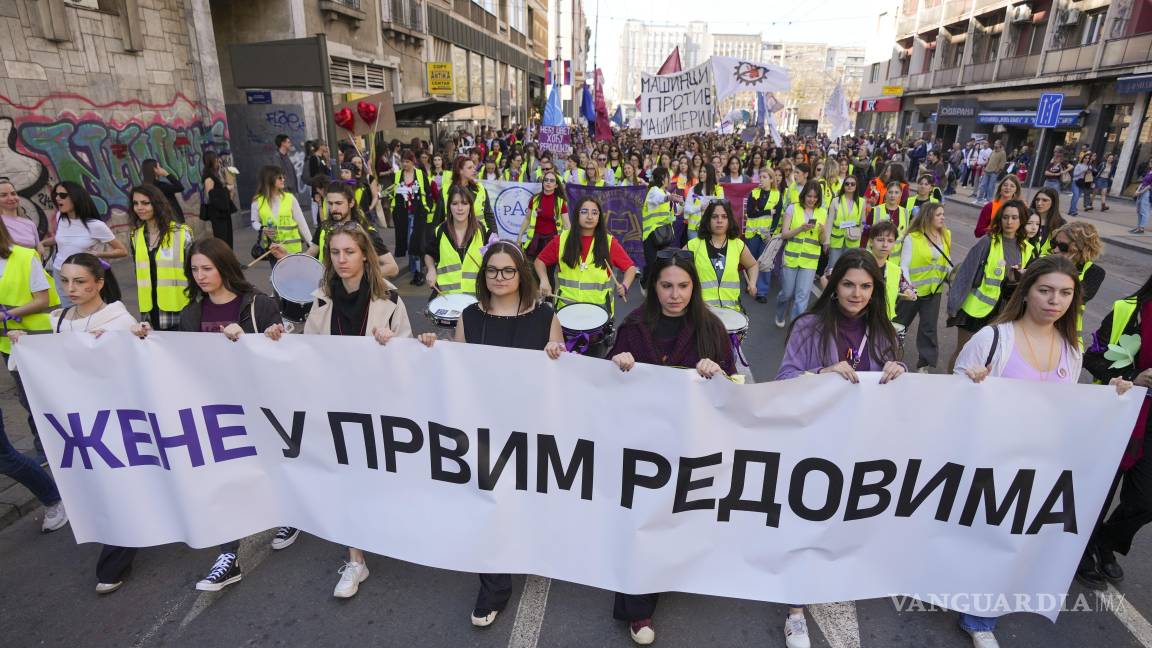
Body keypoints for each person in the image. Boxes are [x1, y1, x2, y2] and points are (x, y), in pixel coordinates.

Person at [953, 255, 1126, 647]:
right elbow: (953, 397)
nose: (1055, 300)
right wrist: (970, 381)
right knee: (986, 537)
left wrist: (1115, 397)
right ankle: (977, 617)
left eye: (1065, 293)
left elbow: (1068, 408)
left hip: (1040, 462)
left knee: (1015, 537)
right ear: (1026, 291)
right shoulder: (993, 338)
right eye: (1045, 290)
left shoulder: (1072, 348)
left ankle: (980, 612)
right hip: (990, 459)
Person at [111, 238, 286, 595]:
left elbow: (280, 352)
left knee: (270, 467)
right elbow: (179, 359)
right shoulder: (192, 313)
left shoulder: (260, 304)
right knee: (220, 476)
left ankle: (288, 515)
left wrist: (252, 338)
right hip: (214, 408)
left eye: (207, 268)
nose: (201, 275)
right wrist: (145, 341)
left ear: (225, 266)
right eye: (194, 269)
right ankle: (228, 554)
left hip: (259, 403)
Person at [417, 240, 564, 626]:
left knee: (526, 500)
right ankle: (494, 586)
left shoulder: (546, 315)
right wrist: (435, 348)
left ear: (522, 275)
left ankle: (530, 551)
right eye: (492, 270)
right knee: (488, 504)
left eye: (508, 270)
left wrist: (557, 353)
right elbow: (458, 367)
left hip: (530, 427)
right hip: (485, 428)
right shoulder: (470, 315)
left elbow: (563, 374)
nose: (499, 277)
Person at [265, 222, 412, 599]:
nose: (341, 259)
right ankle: (356, 559)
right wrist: (283, 340)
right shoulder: (320, 298)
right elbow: (310, 352)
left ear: (365, 253)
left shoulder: (391, 300)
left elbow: (410, 360)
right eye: (334, 252)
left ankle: (387, 529)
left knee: (376, 478)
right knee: (345, 478)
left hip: (379, 406)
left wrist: (393, 344)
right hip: (336, 405)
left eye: (349, 251)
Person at [775, 248, 906, 648]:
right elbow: (784, 380)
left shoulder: (885, 331)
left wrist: (900, 372)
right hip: (814, 443)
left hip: (861, 446)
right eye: (848, 284)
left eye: (866, 286)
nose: (857, 293)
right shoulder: (809, 326)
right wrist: (822, 373)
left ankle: (829, 579)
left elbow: (899, 391)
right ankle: (795, 611)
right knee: (805, 523)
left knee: (842, 522)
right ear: (833, 287)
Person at [607, 248, 734, 646]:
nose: (674, 294)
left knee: (674, 520)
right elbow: (604, 384)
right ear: (654, 286)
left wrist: (718, 375)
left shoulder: (712, 329)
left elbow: (732, 389)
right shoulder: (632, 327)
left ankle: (666, 575)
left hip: (690, 444)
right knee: (642, 522)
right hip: (642, 445)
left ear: (693, 287)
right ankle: (638, 607)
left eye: (682, 286)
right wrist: (617, 361)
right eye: (666, 285)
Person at [1076, 269, 1152, 590]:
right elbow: (1092, 357)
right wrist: (1134, 377)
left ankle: (1105, 540)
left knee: (1145, 502)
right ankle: (1081, 550)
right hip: (1119, 416)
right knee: (1099, 494)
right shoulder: (1128, 309)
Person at [0, 214, 59, 469]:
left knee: (46, 396)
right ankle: (44, 448)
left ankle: (54, 447)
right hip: (8, 345)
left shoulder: (25, 257)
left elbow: (42, 300)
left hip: (36, 341)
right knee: (27, 400)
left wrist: (10, 314)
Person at [947, 199, 1032, 372]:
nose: (1009, 222)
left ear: (1021, 220)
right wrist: (954, 305)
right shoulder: (988, 241)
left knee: (987, 356)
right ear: (1000, 219)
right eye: (1006, 217)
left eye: (1014, 218)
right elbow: (966, 272)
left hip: (1002, 312)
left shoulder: (1026, 248)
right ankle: (949, 383)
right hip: (974, 310)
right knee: (964, 353)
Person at [535, 195, 636, 314]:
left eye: (594, 213)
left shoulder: (609, 242)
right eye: (584, 212)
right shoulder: (561, 240)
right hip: (566, 311)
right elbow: (539, 261)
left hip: (599, 313)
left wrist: (624, 286)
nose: (589, 216)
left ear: (599, 217)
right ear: (577, 214)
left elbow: (630, 268)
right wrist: (544, 280)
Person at [38, 181, 128, 307]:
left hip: (81, 276)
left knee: (85, 312)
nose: (57, 198)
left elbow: (122, 250)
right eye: (56, 195)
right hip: (59, 272)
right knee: (68, 310)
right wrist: (43, 243)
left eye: (63, 195)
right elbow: (63, 239)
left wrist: (98, 253)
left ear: (76, 197)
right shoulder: (60, 217)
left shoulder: (96, 226)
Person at [129, 184, 193, 330]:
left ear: (157, 203)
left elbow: (194, 271)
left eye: (145, 203)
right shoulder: (135, 236)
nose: (139, 207)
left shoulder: (181, 233)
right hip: (149, 311)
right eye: (135, 203)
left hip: (179, 308)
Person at [898, 202, 951, 372]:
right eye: (938, 214)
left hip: (934, 290)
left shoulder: (946, 235)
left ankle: (924, 364)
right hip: (912, 290)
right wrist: (908, 287)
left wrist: (954, 276)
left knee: (928, 328)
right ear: (928, 216)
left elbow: (946, 262)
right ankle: (887, 352)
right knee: (899, 324)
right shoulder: (912, 238)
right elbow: (904, 266)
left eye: (943, 214)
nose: (942, 217)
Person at [309, 182, 398, 277]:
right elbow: (311, 253)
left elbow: (392, 268)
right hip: (327, 288)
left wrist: (359, 277)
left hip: (356, 291)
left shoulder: (366, 231)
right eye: (330, 204)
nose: (333, 208)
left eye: (338, 203)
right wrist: (293, 260)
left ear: (351, 203)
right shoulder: (324, 227)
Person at [686, 200, 758, 311]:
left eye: (724, 217)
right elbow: (677, 269)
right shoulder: (693, 245)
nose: (719, 220)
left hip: (732, 312)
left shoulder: (738, 245)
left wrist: (752, 283)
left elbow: (752, 265)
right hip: (703, 312)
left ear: (729, 220)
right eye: (714, 217)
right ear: (708, 220)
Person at [775, 181, 826, 328]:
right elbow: (784, 234)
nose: (812, 199)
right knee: (787, 293)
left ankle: (795, 327)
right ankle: (780, 312)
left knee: (802, 297)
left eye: (815, 197)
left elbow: (822, 241)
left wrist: (822, 232)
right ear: (804, 195)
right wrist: (800, 229)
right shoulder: (793, 208)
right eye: (809, 196)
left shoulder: (822, 212)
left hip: (810, 261)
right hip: (791, 257)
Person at [1049, 221, 1106, 341]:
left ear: (1080, 248)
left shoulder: (1094, 272)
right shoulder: (1043, 263)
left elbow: (1075, 297)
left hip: (1066, 337)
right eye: (1054, 243)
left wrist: (1064, 266)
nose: (1055, 250)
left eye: (1063, 246)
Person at [425, 185, 487, 295]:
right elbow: (429, 254)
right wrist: (431, 269)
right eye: (455, 203)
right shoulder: (439, 231)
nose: (460, 208)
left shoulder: (482, 231)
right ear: (449, 207)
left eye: (464, 203)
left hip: (477, 300)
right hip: (447, 298)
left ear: (470, 206)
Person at [250, 165, 311, 265]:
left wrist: (311, 243)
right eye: (279, 177)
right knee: (279, 279)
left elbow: (301, 222)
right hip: (274, 250)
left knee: (296, 278)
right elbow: (254, 221)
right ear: (269, 179)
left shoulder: (290, 198)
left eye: (283, 177)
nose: (283, 179)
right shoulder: (257, 201)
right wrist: (262, 228)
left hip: (293, 249)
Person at [389, 152, 432, 284]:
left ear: (413, 162)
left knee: (415, 242)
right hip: (402, 214)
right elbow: (391, 192)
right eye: (403, 161)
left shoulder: (420, 174)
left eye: (407, 161)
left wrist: (427, 208)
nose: (405, 164)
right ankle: (415, 271)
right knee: (408, 243)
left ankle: (418, 272)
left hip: (418, 213)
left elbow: (428, 192)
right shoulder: (397, 176)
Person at [743, 167, 781, 303]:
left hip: (766, 234)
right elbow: (750, 213)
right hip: (752, 232)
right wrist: (766, 212)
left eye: (765, 177)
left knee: (765, 262)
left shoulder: (777, 194)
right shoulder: (754, 193)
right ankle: (750, 284)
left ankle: (762, 292)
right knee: (751, 260)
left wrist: (772, 232)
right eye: (761, 177)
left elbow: (777, 216)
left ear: (771, 179)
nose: (762, 179)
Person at [640, 167, 682, 286]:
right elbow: (658, 199)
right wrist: (669, 198)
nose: (669, 179)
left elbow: (676, 213)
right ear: (663, 179)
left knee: (662, 264)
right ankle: (646, 284)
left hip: (663, 235)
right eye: (667, 177)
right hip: (651, 235)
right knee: (653, 264)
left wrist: (681, 203)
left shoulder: (667, 193)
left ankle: (657, 290)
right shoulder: (654, 190)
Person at [518, 170, 570, 258]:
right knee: (532, 269)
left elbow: (567, 225)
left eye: (552, 181)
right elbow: (527, 219)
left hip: (552, 242)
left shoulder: (560, 202)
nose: (548, 182)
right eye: (546, 180)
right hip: (535, 241)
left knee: (549, 270)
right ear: (543, 183)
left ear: (556, 185)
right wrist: (519, 236)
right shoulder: (534, 199)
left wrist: (569, 243)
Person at [823, 173, 866, 272]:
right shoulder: (835, 201)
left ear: (856, 186)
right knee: (833, 268)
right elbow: (829, 222)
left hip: (853, 240)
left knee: (849, 268)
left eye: (852, 184)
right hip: (836, 240)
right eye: (847, 184)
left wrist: (858, 233)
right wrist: (826, 241)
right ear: (844, 185)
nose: (850, 186)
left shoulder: (862, 202)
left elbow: (862, 222)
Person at [201, 151, 238, 247]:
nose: (218, 161)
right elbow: (212, 197)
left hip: (224, 211)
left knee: (228, 238)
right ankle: (224, 260)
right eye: (216, 159)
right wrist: (227, 189)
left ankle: (230, 260)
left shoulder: (216, 175)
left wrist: (229, 187)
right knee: (222, 239)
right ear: (211, 161)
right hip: (217, 214)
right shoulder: (209, 178)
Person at [684, 164, 724, 241]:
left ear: (710, 174)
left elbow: (721, 206)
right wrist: (699, 207)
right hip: (694, 230)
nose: (701, 174)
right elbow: (686, 208)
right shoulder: (693, 189)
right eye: (701, 171)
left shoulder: (718, 190)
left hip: (711, 229)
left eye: (704, 172)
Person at [0, 178, 41, 252]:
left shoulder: (30, 224)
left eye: (13, 193)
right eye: (3, 195)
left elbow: (38, 250)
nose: (11, 198)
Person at [1027, 187, 1066, 256]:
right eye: (1037, 199)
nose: (1039, 203)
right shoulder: (1026, 217)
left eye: (1045, 200)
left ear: (1053, 203)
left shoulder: (1061, 224)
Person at [1134, 167, 1151, 235]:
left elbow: (1150, 186)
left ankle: (1141, 228)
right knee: (1139, 210)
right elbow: (1143, 182)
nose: (1150, 163)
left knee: (1144, 211)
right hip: (1142, 191)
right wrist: (1137, 190)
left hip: (1148, 193)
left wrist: (1140, 192)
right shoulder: (1149, 172)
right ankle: (1138, 227)